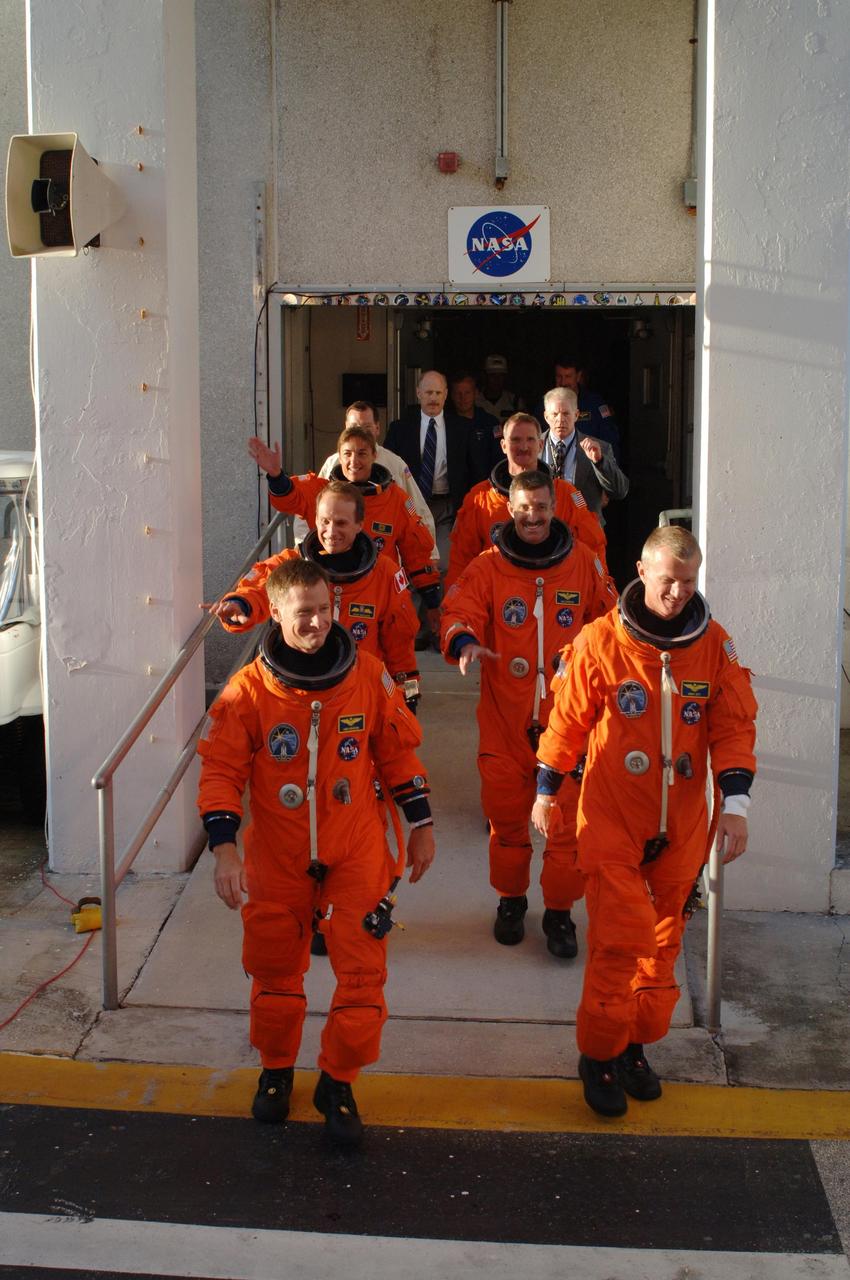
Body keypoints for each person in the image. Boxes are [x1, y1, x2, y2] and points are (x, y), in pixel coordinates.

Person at [198, 560, 435, 1146]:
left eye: (325, 610)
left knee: (362, 977)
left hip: (355, 850)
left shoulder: (369, 676)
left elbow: (399, 755)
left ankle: (339, 1080)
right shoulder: (250, 691)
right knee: (276, 973)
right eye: (303, 612)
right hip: (278, 857)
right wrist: (225, 850)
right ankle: (277, 1072)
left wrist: (421, 824)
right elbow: (221, 771)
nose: (317, 622)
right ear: (275, 613)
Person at [531, 526, 757, 1118]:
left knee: (662, 948)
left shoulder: (714, 647)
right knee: (618, 942)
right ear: (642, 570)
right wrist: (546, 788)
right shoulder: (601, 642)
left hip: (682, 822)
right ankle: (597, 1055)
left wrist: (736, 807)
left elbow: (733, 727)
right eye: (668, 580)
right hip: (612, 818)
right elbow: (567, 722)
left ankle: (633, 1045)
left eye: (688, 581)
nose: (678, 593)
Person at [441, 470, 616, 957]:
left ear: (554, 508)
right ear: (510, 511)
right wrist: (465, 642)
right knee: (507, 823)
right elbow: (457, 610)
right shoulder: (489, 566)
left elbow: (610, 618)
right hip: (504, 721)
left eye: (541, 508)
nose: (533, 517)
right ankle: (511, 901)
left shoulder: (582, 562)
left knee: (565, 830)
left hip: (568, 722)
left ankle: (559, 914)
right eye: (523, 508)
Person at [211, 480, 421, 709]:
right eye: (325, 521)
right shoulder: (293, 563)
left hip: (358, 690)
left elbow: (400, 637)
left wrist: (409, 692)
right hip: (297, 691)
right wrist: (240, 603)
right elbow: (260, 584)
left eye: (341, 523)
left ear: (360, 524)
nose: (331, 532)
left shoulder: (384, 573)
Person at [248, 426, 441, 638]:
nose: (354, 461)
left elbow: (416, 552)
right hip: (324, 592)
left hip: (376, 592)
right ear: (338, 456)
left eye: (362, 454)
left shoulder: (396, 500)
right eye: (347, 454)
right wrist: (276, 476)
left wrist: (432, 601)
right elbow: (292, 497)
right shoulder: (322, 491)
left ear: (375, 456)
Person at [445, 412, 610, 592]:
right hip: (498, 595)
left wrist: (600, 592)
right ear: (503, 445)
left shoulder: (565, 494)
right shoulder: (480, 498)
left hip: (554, 593)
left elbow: (593, 546)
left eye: (530, 440)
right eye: (515, 440)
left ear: (540, 445)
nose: (523, 447)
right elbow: (461, 560)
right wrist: (453, 606)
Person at [385, 370, 480, 572]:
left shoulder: (463, 428)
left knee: (444, 564)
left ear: (446, 394)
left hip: (447, 506)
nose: (433, 398)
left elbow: (474, 471)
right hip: (412, 506)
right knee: (412, 563)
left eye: (438, 393)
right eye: (428, 393)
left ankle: (439, 604)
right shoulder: (400, 429)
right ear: (418, 393)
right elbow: (388, 471)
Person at [316, 401, 435, 548]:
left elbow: (416, 509)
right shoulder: (332, 464)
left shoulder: (395, 464)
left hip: (382, 548)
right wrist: (303, 544)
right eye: (354, 427)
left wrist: (430, 553)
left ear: (377, 428)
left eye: (366, 427)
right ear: (346, 428)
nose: (360, 432)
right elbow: (311, 504)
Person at [541, 387, 628, 520]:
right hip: (542, 527)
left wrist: (599, 462)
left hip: (584, 530)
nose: (560, 420)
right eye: (555, 414)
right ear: (546, 417)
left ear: (576, 415)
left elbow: (620, 491)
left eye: (566, 413)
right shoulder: (532, 446)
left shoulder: (599, 448)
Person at [533, 359, 621, 457]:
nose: (563, 382)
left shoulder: (595, 404)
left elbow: (610, 442)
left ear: (578, 376)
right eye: (559, 376)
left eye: (568, 376)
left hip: (588, 465)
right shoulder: (545, 405)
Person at [449, 370, 501, 475]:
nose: (462, 398)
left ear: (476, 393)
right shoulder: (444, 424)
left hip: (483, 486)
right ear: (451, 395)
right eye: (458, 393)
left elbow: (498, 458)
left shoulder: (490, 423)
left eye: (467, 393)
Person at [476, 353, 523, 424]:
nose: (496, 379)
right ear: (485, 376)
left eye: (500, 375)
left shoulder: (515, 401)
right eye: (492, 375)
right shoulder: (475, 401)